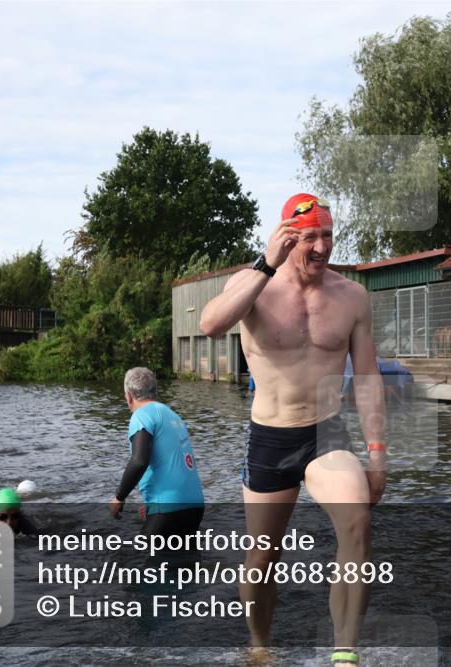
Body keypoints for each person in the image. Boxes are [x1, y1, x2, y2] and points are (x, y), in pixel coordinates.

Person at [199, 193, 386, 666]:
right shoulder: (255, 284)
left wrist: (377, 455)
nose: (321, 247)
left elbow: (367, 377)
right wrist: (265, 265)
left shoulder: (352, 297)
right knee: (262, 559)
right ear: (287, 236)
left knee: (357, 522)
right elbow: (211, 325)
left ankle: (344, 653)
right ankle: (260, 646)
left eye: (328, 235)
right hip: (271, 435)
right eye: (310, 237)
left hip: (327, 432)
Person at [109, 367, 205, 539]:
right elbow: (173, 462)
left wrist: (119, 497)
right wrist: (153, 504)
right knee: (183, 555)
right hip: (195, 506)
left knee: (143, 554)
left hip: (170, 505)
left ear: (129, 396)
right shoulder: (173, 415)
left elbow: (139, 461)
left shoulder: (141, 415)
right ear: (155, 392)